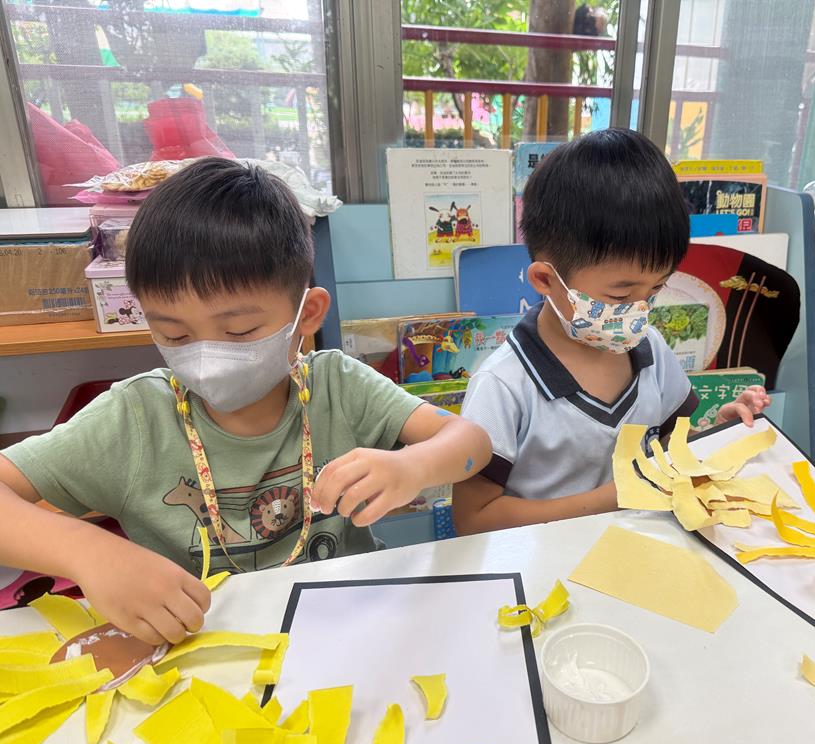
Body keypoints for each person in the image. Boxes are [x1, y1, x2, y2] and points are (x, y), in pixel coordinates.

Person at [0, 158, 491, 645]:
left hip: (348, 629)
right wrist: (88, 551)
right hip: (203, 648)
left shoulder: (338, 386)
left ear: (307, 314)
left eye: (239, 331)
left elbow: (471, 443)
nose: (206, 357)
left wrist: (412, 467)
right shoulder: (133, 419)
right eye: (174, 334)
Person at [453, 129, 769, 535]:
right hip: (548, 567)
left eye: (655, 289)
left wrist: (714, 435)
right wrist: (614, 497)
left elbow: (671, 452)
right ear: (545, 280)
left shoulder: (650, 349)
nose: (639, 311)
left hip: (643, 551)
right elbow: (473, 519)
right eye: (620, 294)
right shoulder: (503, 385)